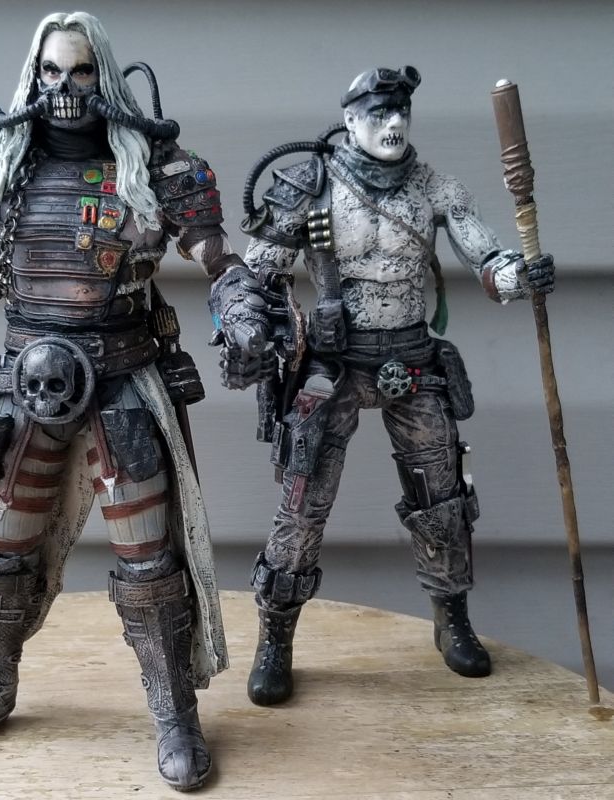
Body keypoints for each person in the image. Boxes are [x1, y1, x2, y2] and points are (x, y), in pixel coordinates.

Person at [0, 12, 242, 791]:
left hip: (122, 381)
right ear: (33, 76)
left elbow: (219, 261)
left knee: (150, 561)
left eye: (81, 71)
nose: (65, 87)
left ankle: (174, 709)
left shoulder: (154, 167)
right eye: (51, 72)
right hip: (26, 386)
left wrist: (246, 316)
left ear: (103, 75)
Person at [211, 66, 554, 706]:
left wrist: (517, 276)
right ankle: (276, 637)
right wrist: (245, 326)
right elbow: (252, 275)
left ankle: (452, 619)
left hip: (412, 360)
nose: (393, 124)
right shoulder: (308, 184)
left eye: (401, 112)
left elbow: (486, 257)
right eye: (378, 113)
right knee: (303, 504)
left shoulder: (434, 187)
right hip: (333, 368)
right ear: (350, 119)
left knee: (442, 499)